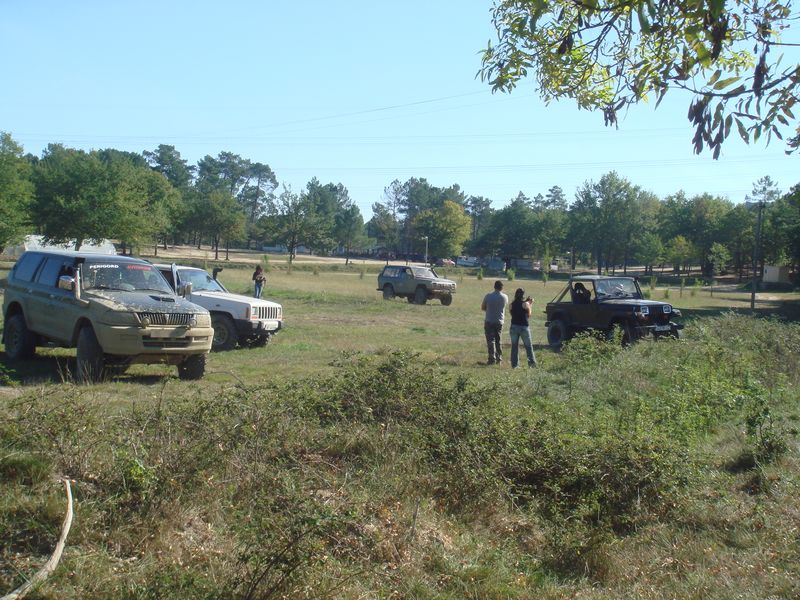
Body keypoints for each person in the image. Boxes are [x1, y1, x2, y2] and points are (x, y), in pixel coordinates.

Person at [481, 280, 508, 365]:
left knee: (490, 340)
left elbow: (483, 307)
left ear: (494, 287)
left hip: (489, 320)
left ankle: (491, 359)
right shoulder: (505, 297)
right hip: (499, 321)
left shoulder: (488, 296)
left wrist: (489, 310)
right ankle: (499, 359)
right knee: (498, 340)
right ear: (502, 288)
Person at [509, 288, 537, 368]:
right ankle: (532, 365)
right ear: (523, 295)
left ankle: (515, 365)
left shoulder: (511, 304)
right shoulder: (525, 304)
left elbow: (512, 314)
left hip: (514, 326)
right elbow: (529, 315)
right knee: (528, 346)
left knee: (514, 347)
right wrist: (530, 304)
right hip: (524, 327)